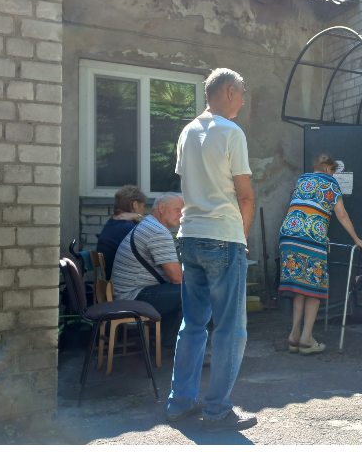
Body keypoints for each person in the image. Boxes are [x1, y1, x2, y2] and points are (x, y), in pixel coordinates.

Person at [166, 68, 257, 432]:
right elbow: (245, 195)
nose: (244, 100)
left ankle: (180, 403)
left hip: (189, 236)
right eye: (242, 93)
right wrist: (242, 237)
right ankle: (217, 409)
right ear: (230, 91)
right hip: (224, 237)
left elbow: (188, 184)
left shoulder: (187, 132)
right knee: (230, 329)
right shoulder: (232, 133)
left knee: (193, 324)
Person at [279, 154, 362, 355]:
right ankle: (307, 339)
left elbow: (305, 208)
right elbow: (341, 215)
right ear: (329, 169)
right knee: (314, 288)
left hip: (289, 235)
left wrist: (319, 231)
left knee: (300, 286)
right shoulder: (331, 183)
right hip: (310, 238)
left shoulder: (303, 179)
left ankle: (294, 336)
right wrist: (357, 239)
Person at [110, 192, 184, 348]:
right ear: (162, 207)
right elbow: (177, 278)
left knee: (188, 289)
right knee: (196, 291)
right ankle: (180, 346)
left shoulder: (149, 224)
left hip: (126, 293)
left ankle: (168, 340)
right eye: (177, 209)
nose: (181, 214)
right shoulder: (158, 232)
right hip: (132, 297)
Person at [96, 184, 146, 278]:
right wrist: (139, 217)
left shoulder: (112, 222)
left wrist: (137, 216)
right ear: (135, 205)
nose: (143, 210)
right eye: (143, 206)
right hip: (123, 282)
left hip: (108, 280)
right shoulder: (128, 228)